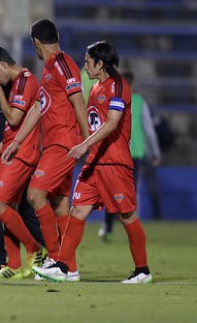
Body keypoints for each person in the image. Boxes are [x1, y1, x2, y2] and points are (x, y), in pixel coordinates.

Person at [33, 40, 153, 284]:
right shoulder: (96, 89)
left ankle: (142, 270)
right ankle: (63, 267)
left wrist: (84, 144)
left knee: (127, 216)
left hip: (114, 163)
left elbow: (111, 123)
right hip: (94, 163)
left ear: (100, 63)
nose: (84, 66)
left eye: (88, 62)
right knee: (77, 211)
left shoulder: (119, 86)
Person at [2, 19, 89, 279]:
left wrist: (88, 141)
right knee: (60, 205)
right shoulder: (50, 68)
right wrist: (17, 142)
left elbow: (78, 101)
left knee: (34, 195)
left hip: (64, 142)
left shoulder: (62, 63)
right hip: (54, 143)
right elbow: (39, 108)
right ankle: (69, 268)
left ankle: (54, 259)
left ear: (36, 43)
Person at [0, 44, 45, 279]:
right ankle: (13, 264)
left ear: (3, 65)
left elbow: (14, 118)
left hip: (22, 153)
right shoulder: (18, 83)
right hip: (10, 150)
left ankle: (36, 248)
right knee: (9, 208)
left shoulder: (25, 81)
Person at [99, 71, 162, 242]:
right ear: (133, 85)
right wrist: (155, 152)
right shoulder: (140, 102)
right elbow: (149, 130)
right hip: (134, 154)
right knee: (131, 192)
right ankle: (134, 230)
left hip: (114, 153)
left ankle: (107, 227)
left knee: (112, 191)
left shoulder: (111, 100)